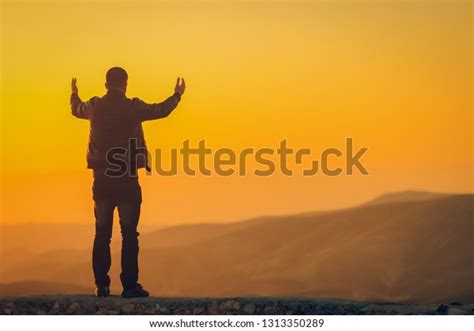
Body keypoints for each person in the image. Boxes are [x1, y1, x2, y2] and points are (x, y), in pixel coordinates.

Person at [70, 67, 185, 298]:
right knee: (129, 233)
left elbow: (76, 109)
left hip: (101, 179)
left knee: (102, 233)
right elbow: (161, 110)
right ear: (126, 84)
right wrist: (177, 95)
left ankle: (101, 286)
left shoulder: (95, 106)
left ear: (105, 85)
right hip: (127, 179)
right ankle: (130, 287)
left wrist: (74, 94)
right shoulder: (133, 107)